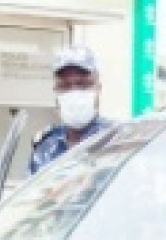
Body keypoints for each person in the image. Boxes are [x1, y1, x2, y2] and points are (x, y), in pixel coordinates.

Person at [28, 45, 113, 175]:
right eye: (65, 86)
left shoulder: (116, 140)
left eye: (83, 84)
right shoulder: (45, 145)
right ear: (55, 91)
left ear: (98, 88)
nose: (74, 92)